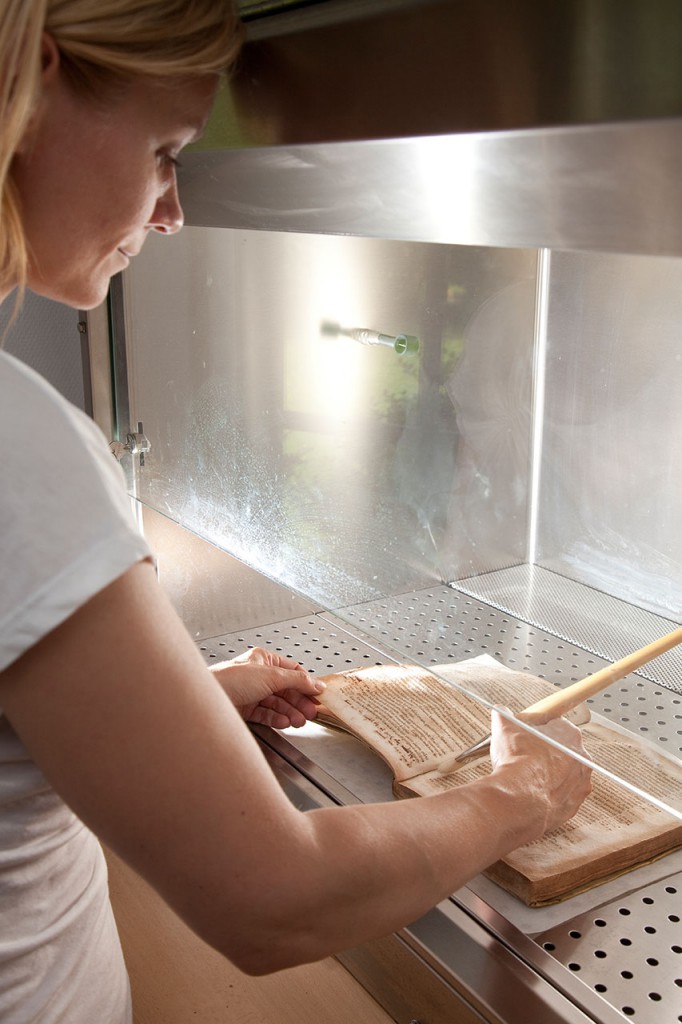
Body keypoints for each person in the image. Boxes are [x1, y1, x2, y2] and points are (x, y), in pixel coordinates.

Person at [0, 2, 592, 1022]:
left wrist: (187, 692)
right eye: (165, 150)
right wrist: (520, 796)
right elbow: (278, 900)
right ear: (39, 82)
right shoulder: (23, 446)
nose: (172, 209)